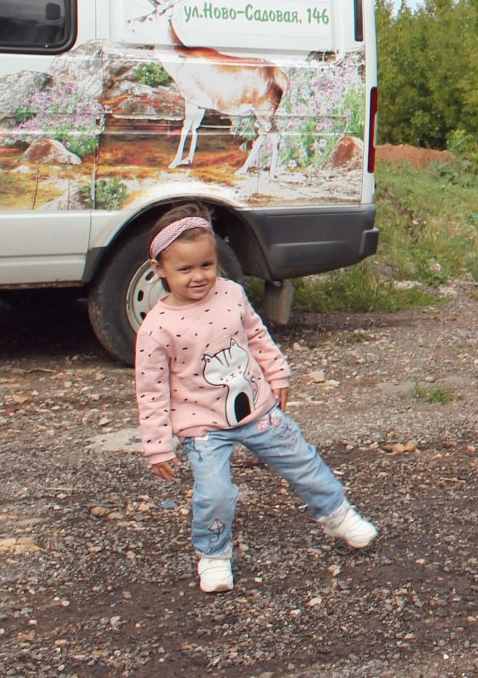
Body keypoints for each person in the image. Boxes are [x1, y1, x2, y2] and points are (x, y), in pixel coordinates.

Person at [133, 202, 377, 592]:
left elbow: (257, 335)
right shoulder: (156, 328)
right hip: (202, 426)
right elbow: (151, 390)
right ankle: (213, 555)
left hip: (258, 409)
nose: (199, 277)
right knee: (214, 492)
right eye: (185, 269)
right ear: (159, 269)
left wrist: (278, 371)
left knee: (300, 458)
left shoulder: (230, 294)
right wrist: (158, 444)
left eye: (207, 265)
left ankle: (337, 514)